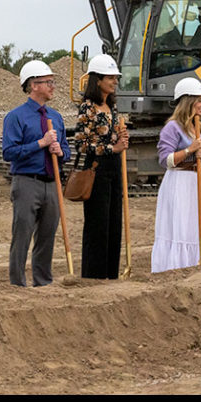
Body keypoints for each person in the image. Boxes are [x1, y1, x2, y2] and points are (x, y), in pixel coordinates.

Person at [1, 60, 71, 287]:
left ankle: (43, 281)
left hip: (52, 183)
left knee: (47, 236)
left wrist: (60, 152)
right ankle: (17, 283)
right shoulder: (16, 117)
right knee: (22, 234)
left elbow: (67, 152)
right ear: (33, 85)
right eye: (47, 82)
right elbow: (9, 152)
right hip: (26, 182)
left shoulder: (56, 117)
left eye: (52, 81)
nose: (52, 86)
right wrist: (40, 143)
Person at [151, 77, 201, 272]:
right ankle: (176, 266)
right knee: (180, 225)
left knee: (195, 225)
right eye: (200, 100)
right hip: (179, 182)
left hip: (195, 182)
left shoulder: (199, 128)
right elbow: (165, 160)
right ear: (188, 101)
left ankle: (198, 261)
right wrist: (189, 151)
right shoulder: (172, 127)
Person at [73, 54, 129, 279]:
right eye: (111, 78)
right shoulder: (88, 108)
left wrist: (121, 140)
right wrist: (111, 149)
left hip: (114, 169)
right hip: (97, 169)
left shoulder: (111, 107)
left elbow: (113, 139)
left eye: (116, 78)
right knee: (98, 225)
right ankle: (94, 276)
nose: (115, 82)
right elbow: (81, 144)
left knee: (114, 223)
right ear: (98, 80)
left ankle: (110, 274)